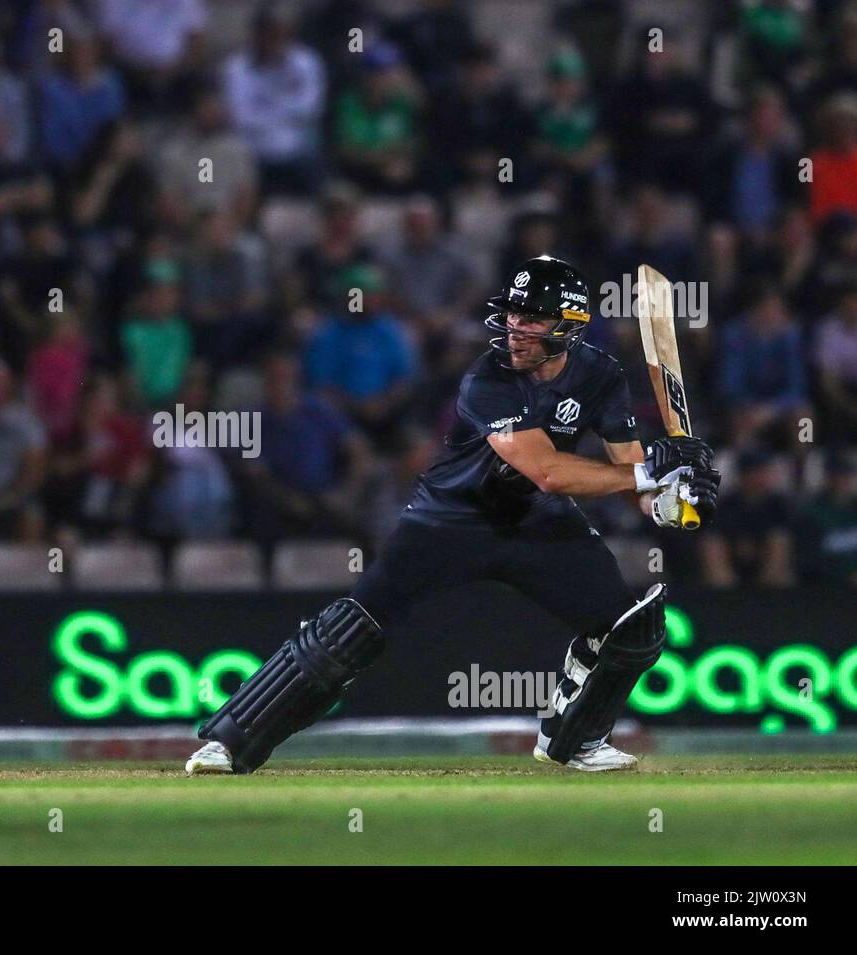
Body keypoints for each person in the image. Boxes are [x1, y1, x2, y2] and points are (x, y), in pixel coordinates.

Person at [186, 256, 722, 775]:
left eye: (532, 317)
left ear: (569, 324)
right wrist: (652, 472)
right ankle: (227, 743)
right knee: (349, 633)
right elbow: (549, 471)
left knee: (632, 630)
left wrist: (668, 499)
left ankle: (575, 740)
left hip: (537, 523)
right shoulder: (488, 378)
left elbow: (627, 470)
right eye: (513, 313)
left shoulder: (600, 374)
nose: (516, 327)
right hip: (450, 519)